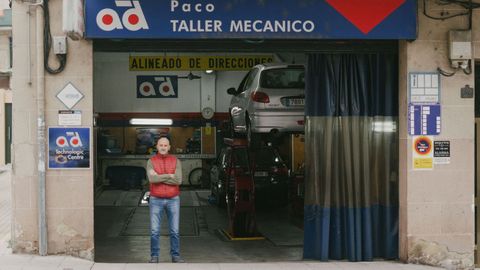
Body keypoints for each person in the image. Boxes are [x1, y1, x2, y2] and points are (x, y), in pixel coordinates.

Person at [147, 135, 185, 263]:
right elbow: (152, 179)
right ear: (157, 147)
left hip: (173, 199)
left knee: (175, 230)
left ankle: (175, 256)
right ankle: (154, 256)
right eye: (161, 145)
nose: (163, 147)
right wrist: (169, 175)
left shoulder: (176, 161)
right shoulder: (151, 161)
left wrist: (160, 177)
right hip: (155, 199)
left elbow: (178, 180)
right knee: (154, 231)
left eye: (165, 145)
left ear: (169, 147)